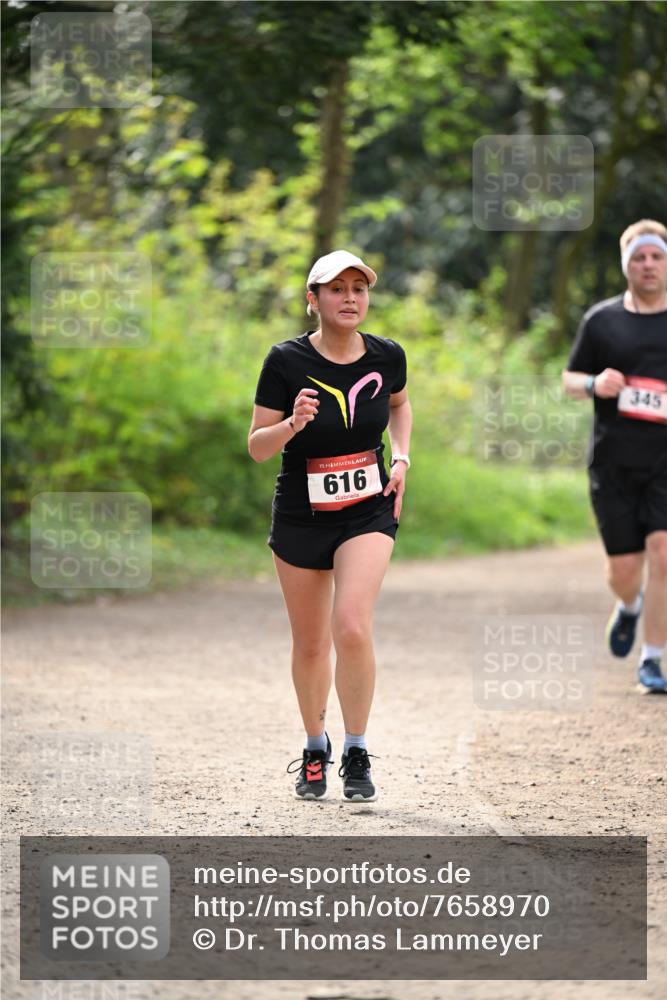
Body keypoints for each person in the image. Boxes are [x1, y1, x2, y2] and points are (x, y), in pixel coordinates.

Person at [248, 250, 412, 799]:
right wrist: (292, 424)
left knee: (353, 625)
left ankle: (357, 749)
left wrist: (403, 458)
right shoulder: (285, 361)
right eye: (336, 289)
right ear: (312, 299)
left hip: (367, 508)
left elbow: (400, 404)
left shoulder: (388, 355)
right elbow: (256, 447)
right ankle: (315, 745)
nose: (350, 299)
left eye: (358, 289)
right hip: (301, 512)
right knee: (312, 644)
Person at [563, 219, 667, 693]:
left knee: (663, 554)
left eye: (656, 256)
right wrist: (593, 384)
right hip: (614, 461)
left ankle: (652, 660)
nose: (648, 265)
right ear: (625, 265)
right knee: (624, 571)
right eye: (639, 258)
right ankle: (629, 605)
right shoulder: (602, 321)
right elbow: (570, 378)